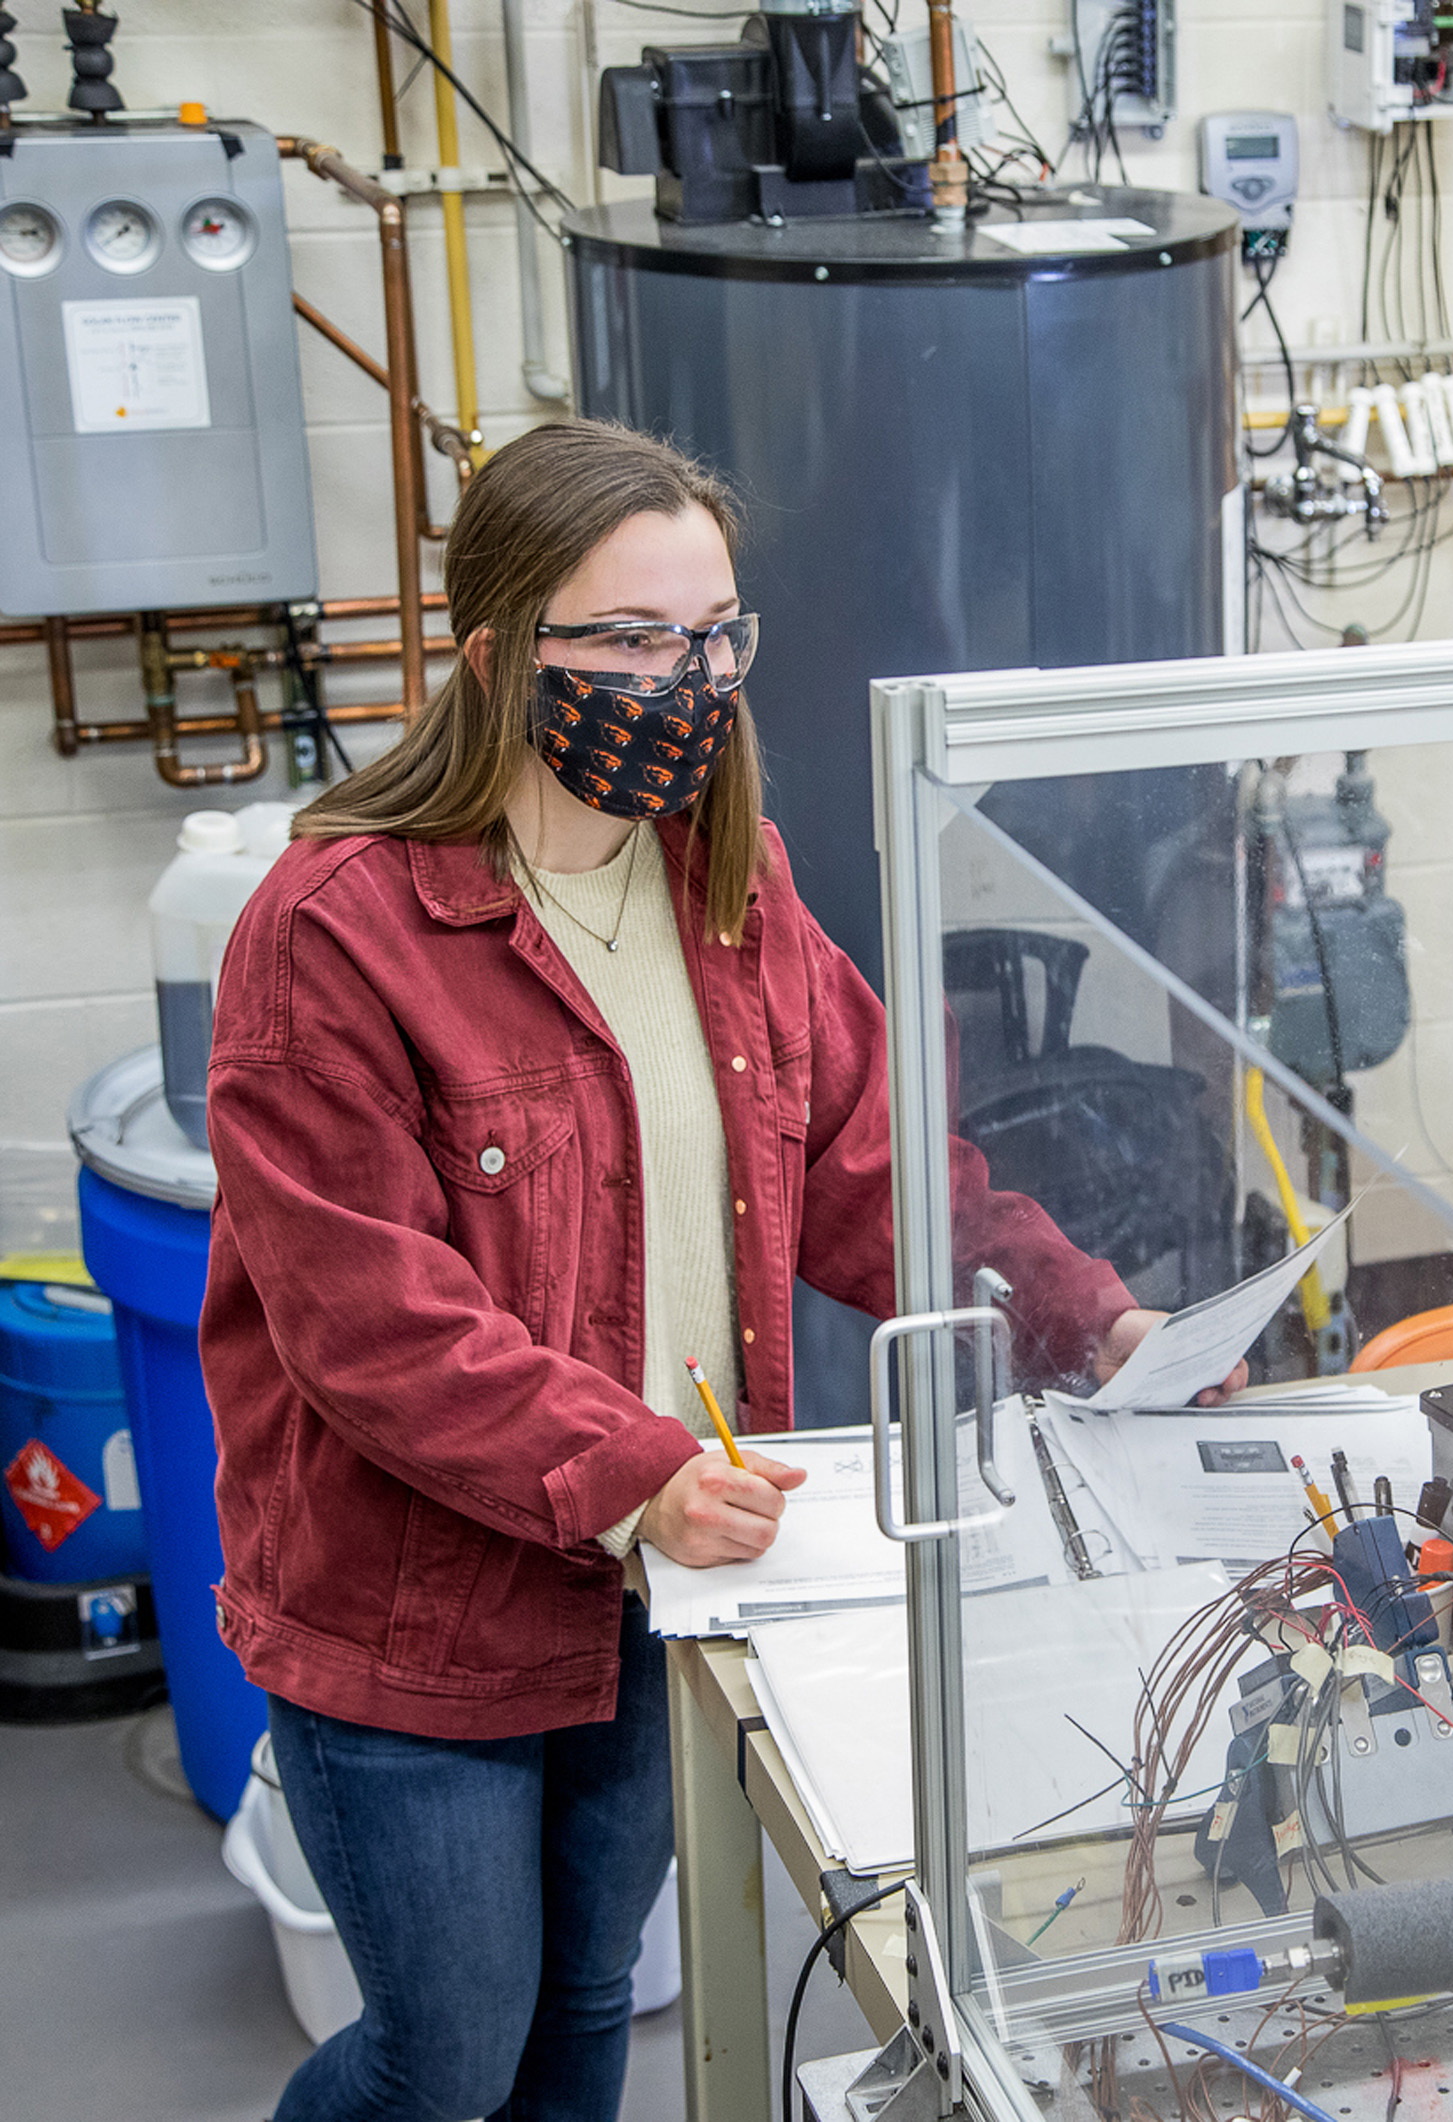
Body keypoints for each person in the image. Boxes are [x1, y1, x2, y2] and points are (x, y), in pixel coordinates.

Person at [201, 418, 1243, 2122]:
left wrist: (1085, 1312)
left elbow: (874, 1168)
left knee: (589, 2007)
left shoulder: (723, 878)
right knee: (445, 2052)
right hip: (419, 1612)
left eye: (714, 636)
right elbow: (367, 1322)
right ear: (492, 656)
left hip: (658, 1580)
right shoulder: (334, 931)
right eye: (626, 640)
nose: (683, 682)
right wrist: (635, 1473)